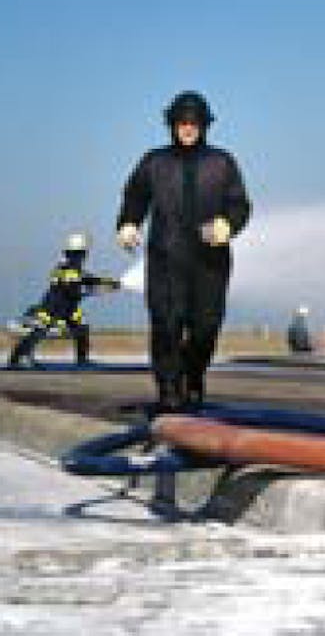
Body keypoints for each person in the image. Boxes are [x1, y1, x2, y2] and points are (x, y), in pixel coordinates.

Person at [115, 91, 252, 412]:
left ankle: (193, 375)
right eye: (181, 122)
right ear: (172, 125)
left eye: (193, 122)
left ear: (204, 125)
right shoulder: (154, 162)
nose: (187, 128)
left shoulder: (222, 163)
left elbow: (240, 205)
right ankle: (168, 388)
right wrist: (128, 223)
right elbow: (134, 197)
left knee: (205, 327)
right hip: (166, 258)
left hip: (210, 261)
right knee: (165, 324)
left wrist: (229, 225)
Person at [8, 232, 120, 369]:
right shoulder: (68, 270)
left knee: (82, 327)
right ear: (80, 253)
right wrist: (100, 290)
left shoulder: (70, 268)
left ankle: (82, 359)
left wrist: (111, 282)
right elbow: (74, 291)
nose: (83, 257)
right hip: (52, 309)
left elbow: (89, 279)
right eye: (82, 254)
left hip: (68, 309)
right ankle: (17, 358)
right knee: (39, 331)